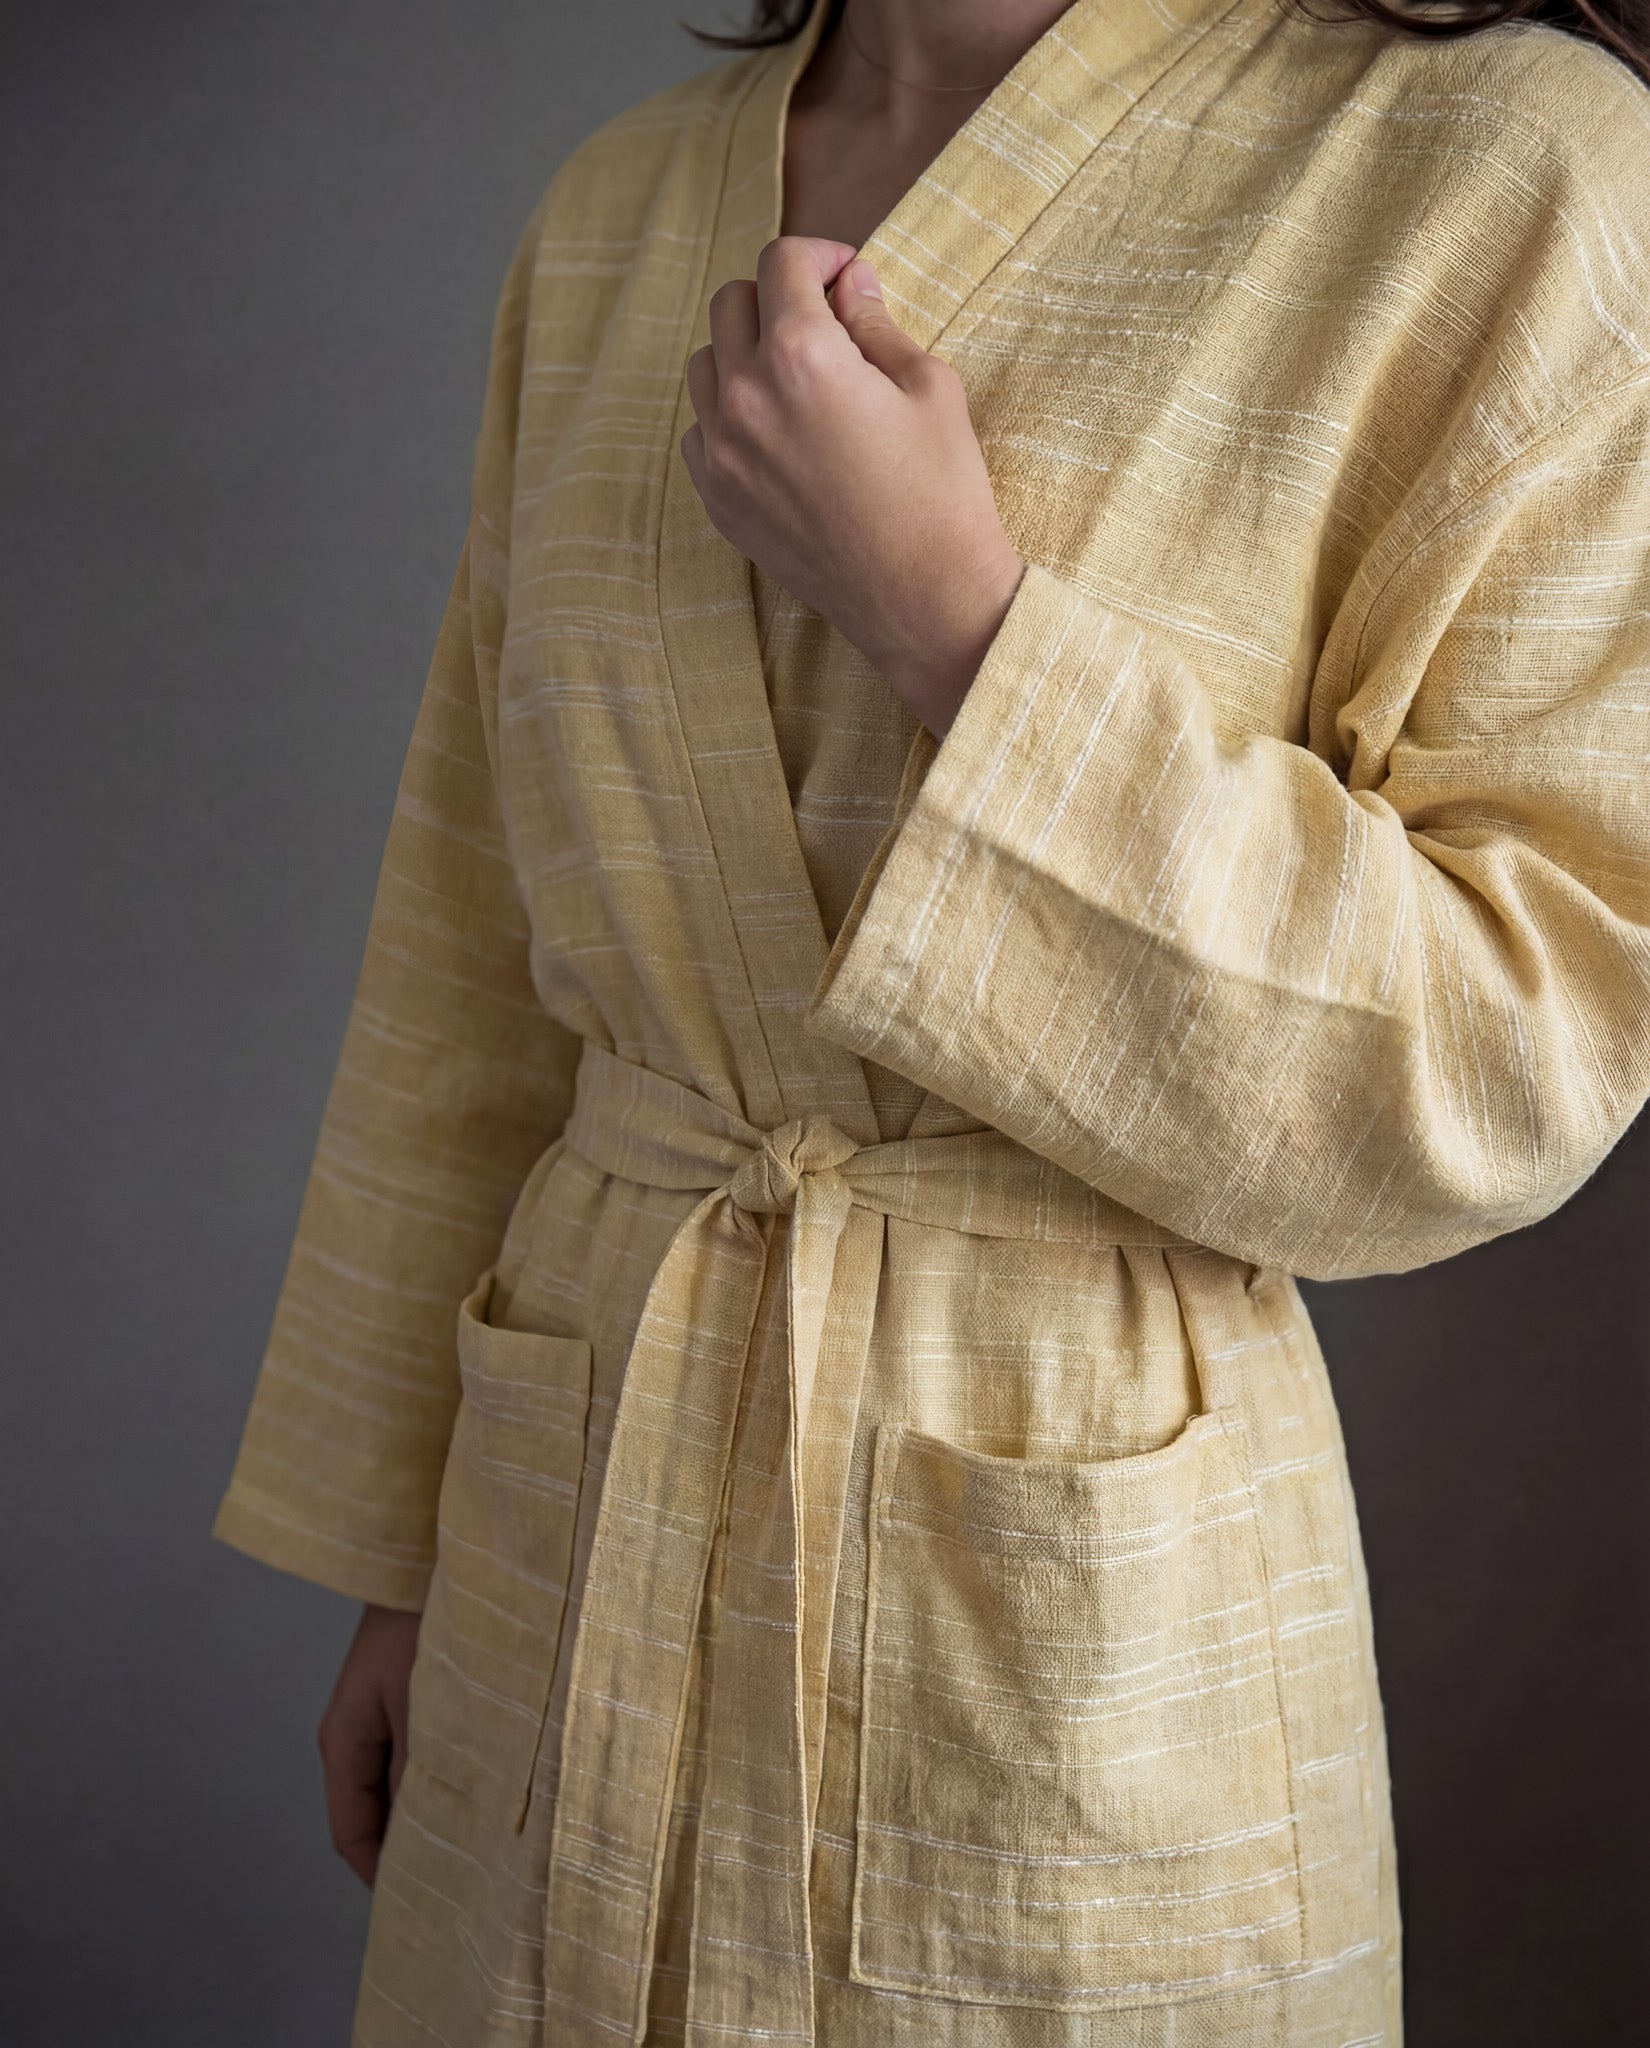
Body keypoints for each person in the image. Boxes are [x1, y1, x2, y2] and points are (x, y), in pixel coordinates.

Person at [212, 0, 1650, 2040]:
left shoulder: (1514, 170)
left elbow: (1522, 1033)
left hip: (1075, 1646)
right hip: (567, 1557)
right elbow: (468, 943)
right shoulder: (616, 211)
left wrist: (963, 631)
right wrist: (412, 1551)